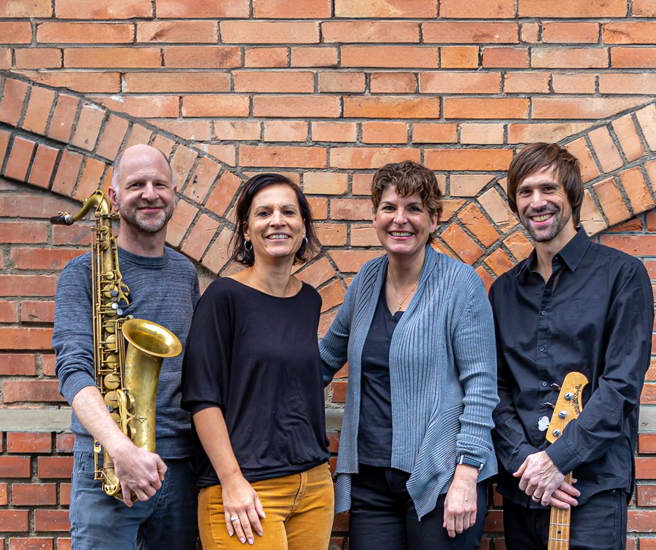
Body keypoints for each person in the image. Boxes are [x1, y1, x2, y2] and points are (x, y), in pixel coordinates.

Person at [320, 160, 499, 550]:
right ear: (375, 216)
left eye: (414, 208)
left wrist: (466, 474)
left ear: (433, 220)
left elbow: (482, 387)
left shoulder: (460, 284)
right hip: (371, 482)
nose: (400, 219)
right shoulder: (366, 281)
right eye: (389, 207)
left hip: (442, 477)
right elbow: (323, 360)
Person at [489, 143, 654, 550]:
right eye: (525, 192)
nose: (536, 202)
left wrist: (557, 460)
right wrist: (526, 463)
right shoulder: (504, 291)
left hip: (590, 491)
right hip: (523, 489)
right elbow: (495, 388)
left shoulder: (623, 276)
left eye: (548, 189)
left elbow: (621, 387)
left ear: (573, 196)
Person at [53, 144, 201, 550]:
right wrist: (121, 449)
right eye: (136, 185)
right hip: (108, 461)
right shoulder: (81, 273)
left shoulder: (185, 273)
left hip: (179, 464)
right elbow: (73, 371)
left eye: (160, 184)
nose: (150, 194)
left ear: (174, 195)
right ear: (114, 198)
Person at [181, 174, 333, 550]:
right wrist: (232, 481)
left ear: (303, 228)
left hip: (313, 487)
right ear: (247, 231)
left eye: (288, 212)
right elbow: (202, 398)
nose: (277, 221)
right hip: (245, 488)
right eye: (264, 213)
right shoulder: (223, 297)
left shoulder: (309, 300)